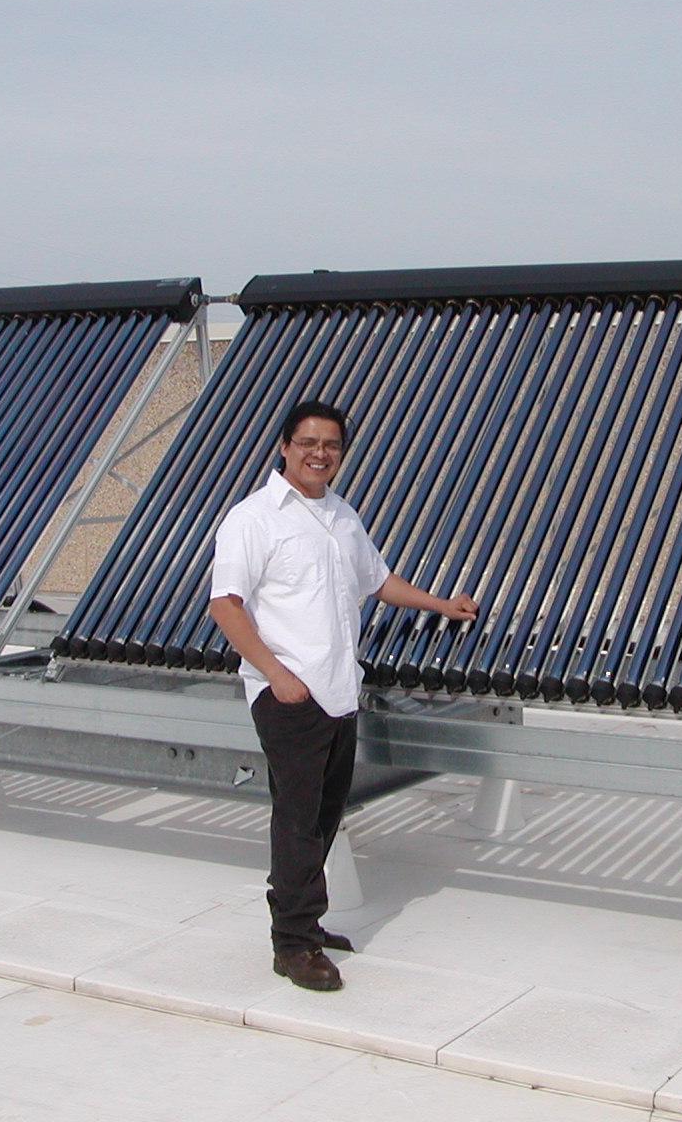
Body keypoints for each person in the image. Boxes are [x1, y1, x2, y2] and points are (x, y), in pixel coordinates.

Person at [209, 400, 477, 992]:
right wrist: (276, 675)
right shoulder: (252, 519)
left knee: (326, 816)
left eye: (330, 445)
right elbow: (225, 605)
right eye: (307, 442)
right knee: (298, 820)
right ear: (284, 446)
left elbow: (377, 581)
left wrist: (440, 604)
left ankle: (307, 922)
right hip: (289, 693)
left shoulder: (342, 517)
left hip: (338, 689)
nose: (319, 453)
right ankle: (293, 944)